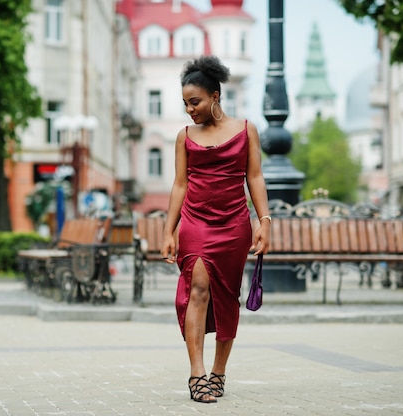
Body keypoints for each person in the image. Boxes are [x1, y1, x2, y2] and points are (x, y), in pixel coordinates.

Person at [161, 55, 272, 403]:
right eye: (185, 104)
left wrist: (264, 221)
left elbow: (253, 176)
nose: (189, 110)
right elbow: (180, 185)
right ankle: (197, 373)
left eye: (195, 102)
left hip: (234, 223)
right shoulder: (184, 137)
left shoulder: (246, 129)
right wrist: (168, 230)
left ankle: (218, 373)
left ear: (215, 96)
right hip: (195, 222)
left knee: (227, 298)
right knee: (197, 288)